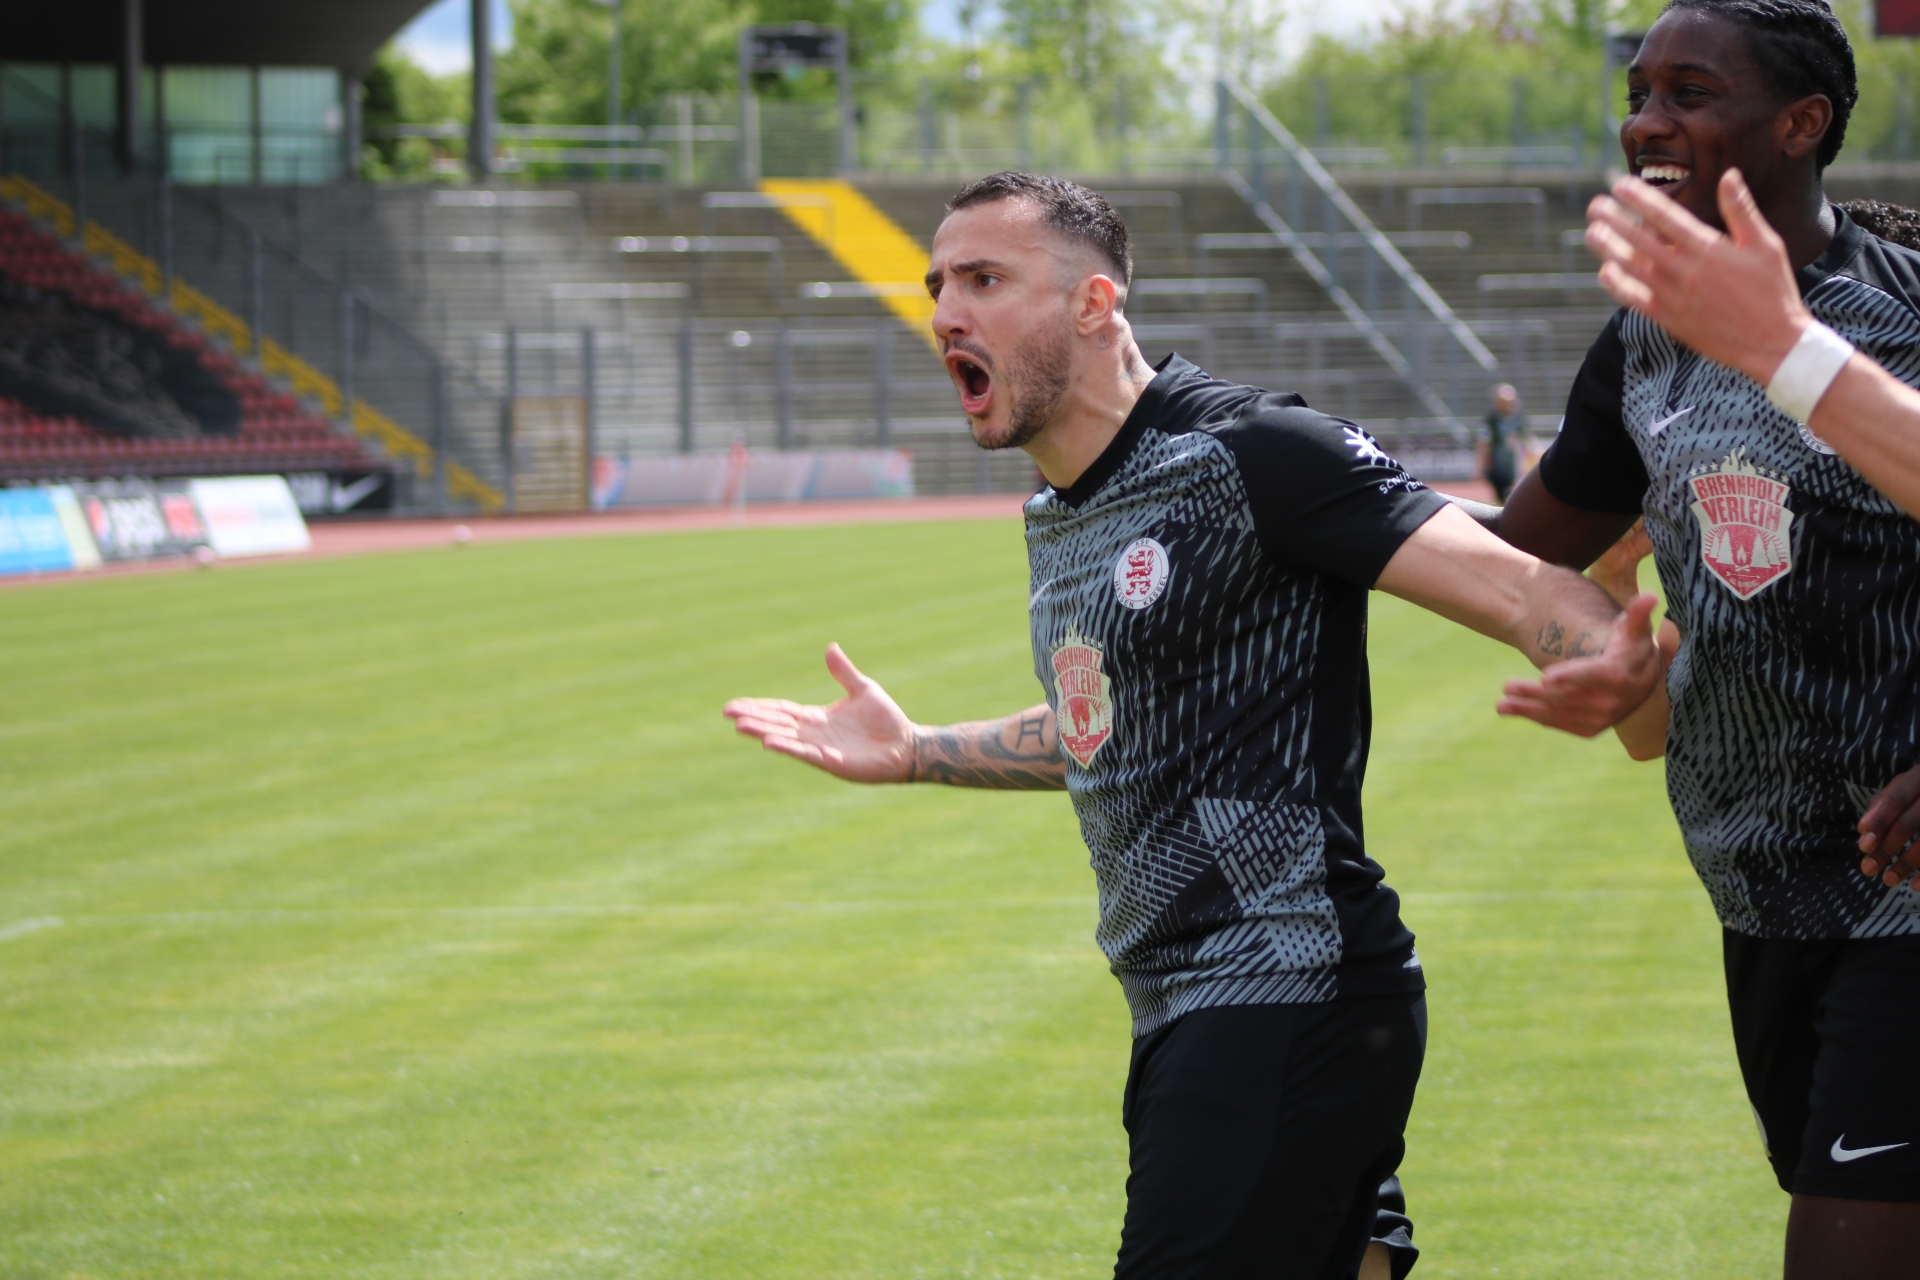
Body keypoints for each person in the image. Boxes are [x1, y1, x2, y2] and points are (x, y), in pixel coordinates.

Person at [724, 171, 1662, 1280]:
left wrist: (1612, 662)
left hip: (1281, 987)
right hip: (1189, 1006)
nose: (945, 313)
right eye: (937, 287)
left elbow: (1518, 585)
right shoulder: (1057, 513)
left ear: (1094, 303)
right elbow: (1119, 729)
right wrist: (922, 750)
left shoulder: (1255, 451)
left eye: (984, 279)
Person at [1466, 4, 1920, 1275]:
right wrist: (1299, 482)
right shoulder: (1642, 341)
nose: (1647, 123)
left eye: (1690, 94)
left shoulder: (1901, 318)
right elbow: (1518, 546)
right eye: (1639, 94)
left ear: (1802, 122)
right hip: (1756, 884)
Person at [1478, 384, 1523, 502]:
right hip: (1497, 467)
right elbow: (1484, 442)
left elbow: (1523, 438)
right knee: (1502, 499)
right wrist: (1481, 465)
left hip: (1512, 467)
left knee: (1512, 498)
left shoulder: (1517, 418)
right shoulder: (1491, 420)